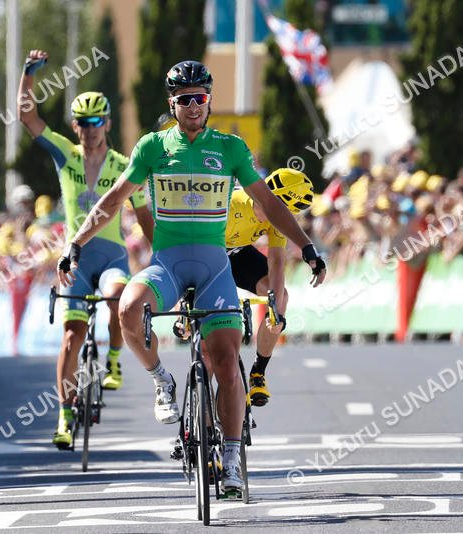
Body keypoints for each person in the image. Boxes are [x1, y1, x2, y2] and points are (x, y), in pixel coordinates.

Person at [57, 60, 326, 497]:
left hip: (216, 267)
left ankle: (234, 457)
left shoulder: (232, 148)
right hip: (167, 264)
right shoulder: (152, 147)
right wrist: (76, 242)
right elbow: (112, 201)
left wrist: (307, 247)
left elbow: (271, 205)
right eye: (184, 99)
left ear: (209, 100)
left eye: (200, 98)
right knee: (127, 307)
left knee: (224, 362)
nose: (193, 106)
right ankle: (162, 379)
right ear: (172, 104)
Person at [18, 49, 154, 449]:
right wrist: (28, 76)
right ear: (75, 126)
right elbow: (28, 118)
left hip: (111, 255)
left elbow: (144, 215)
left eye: (97, 121)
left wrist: (161, 253)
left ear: (108, 123)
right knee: (71, 337)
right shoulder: (65, 153)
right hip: (74, 260)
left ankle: (113, 359)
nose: (90, 128)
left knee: (116, 298)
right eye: (83, 122)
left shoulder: (124, 164)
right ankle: (63, 415)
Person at [221, 167, 314, 407]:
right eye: (288, 210)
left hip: (240, 256)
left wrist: (274, 307)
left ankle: (258, 373)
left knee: (281, 296)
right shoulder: (232, 203)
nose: (287, 217)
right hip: (210, 255)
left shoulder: (276, 217)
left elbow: (276, 260)